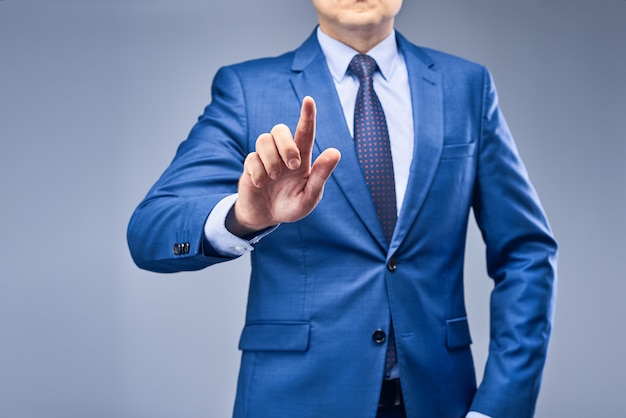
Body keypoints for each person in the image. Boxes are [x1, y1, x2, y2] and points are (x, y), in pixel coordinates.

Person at [127, 1, 557, 417]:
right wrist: (244, 218)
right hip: (294, 401)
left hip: (442, 402)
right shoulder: (247, 89)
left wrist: (499, 407)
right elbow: (150, 230)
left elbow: (526, 252)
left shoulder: (466, 86)